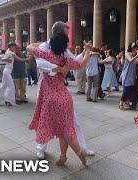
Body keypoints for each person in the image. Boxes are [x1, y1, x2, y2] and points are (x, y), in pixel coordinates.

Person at [26, 32, 92, 166]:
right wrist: (88, 50)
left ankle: (80, 153)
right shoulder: (65, 60)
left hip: (51, 99)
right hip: (65, 97)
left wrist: (40, 45)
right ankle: (63, 156)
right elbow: (83, 62)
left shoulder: (46, 55)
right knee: (65, 130)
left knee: (62, 130)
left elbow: (29, 48)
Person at [119, 42, 138, 110]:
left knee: (130, 89)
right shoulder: (127, 54)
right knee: (126, 89)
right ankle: (121, 103)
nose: (135, 48)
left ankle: (127, 102)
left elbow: (137, 62)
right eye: (134, 47)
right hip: (127, 74)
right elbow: (131, 60)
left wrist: (137, 56)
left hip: (132, 75)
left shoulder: (134, 54)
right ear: (130, 47)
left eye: (136, 47)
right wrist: (137, 55)